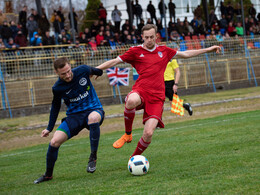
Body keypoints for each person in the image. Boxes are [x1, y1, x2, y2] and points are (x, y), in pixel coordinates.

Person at [96, 24, 221, 157]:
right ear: (142, 37)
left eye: (151, 37)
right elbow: (115, 61)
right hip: (141, 91)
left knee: (148, 133)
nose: (149, 40)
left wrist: (208, 49)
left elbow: (185, 54)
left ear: (156, 36)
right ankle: (127, 134)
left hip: (157, 98)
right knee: (131, 100)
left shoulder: (164, 51)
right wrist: (95, 70)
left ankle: (134, 158)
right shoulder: (135, 51)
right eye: (146, 37)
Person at [34, 57, 105, 184]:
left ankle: (93, 156)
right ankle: (48, 175)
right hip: (74, 116)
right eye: (63, 74)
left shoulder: (83, 70)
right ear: (56, 73)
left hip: (94, 109)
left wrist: (96, 72)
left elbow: (98, 71)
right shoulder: (57, 88)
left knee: (93, 118)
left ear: (70, 67)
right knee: (54, 142)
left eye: (69, 71)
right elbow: (55, 107)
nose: (68, 75)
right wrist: (49, 128)